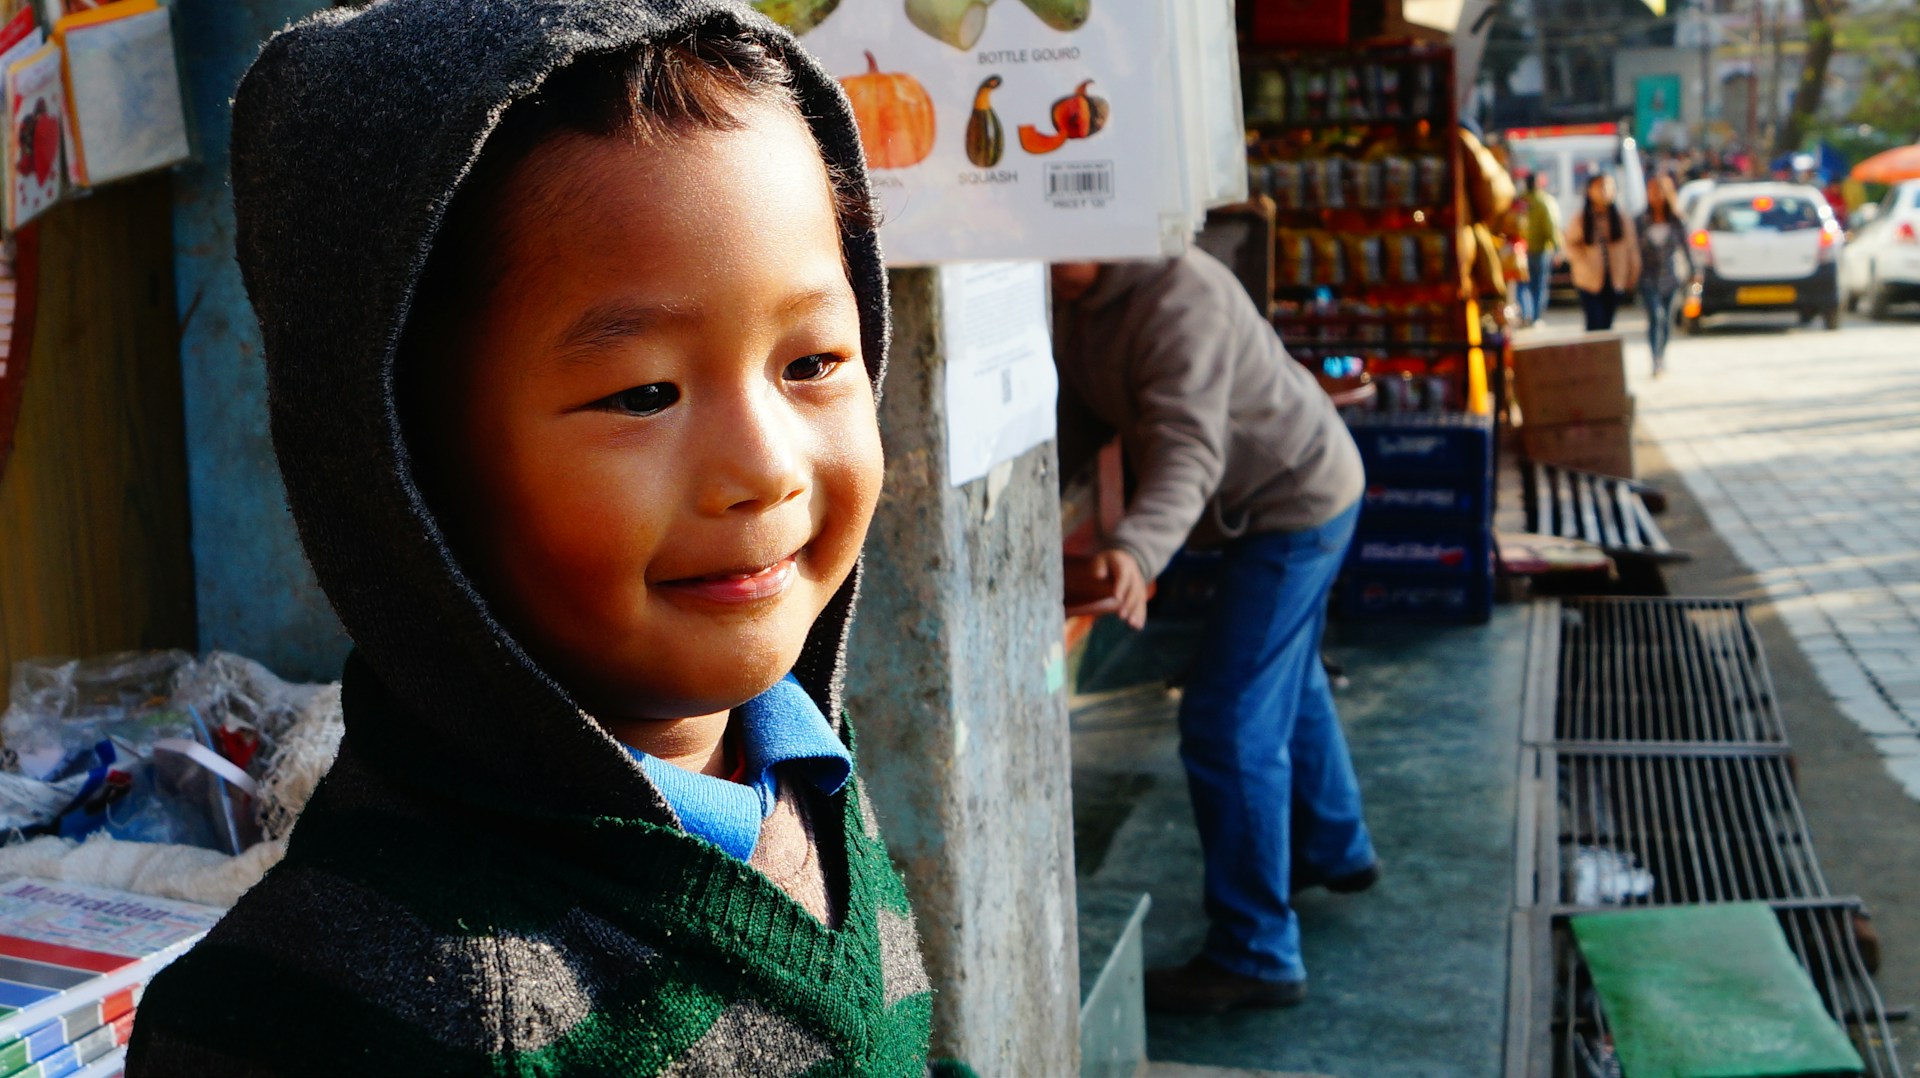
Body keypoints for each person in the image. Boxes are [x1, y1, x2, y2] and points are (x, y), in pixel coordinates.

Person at [128, 3, 955, 1074]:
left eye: (812, 364)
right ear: (404, 472)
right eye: (644, 392)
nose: (766, 466)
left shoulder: (790, 754)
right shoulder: (359, 1003)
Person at [1053, 249, 1377, 1015]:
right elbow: (1083, 415)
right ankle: (1336, 845)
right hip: (1271, 503)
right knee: (1283, 675)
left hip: (1298, 503)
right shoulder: (1068, 298)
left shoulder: (1178, 291)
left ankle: (1258, 952)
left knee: (1226, 717)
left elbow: (1188, 449)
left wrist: (1135, 548)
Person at [1567, 173, 1641, 331]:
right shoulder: (1581, 219)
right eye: (1600, 186)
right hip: (1589, 281)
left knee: (1607, 324)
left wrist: (1632, 275)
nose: (1605, 191)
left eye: (1609, 187)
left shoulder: (1621, 219)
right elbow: (1570, 245)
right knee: (1594, 323)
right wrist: (1583, 263)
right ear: (1590, 190)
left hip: (1615, 279)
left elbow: (1631, 249)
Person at [1636, 174, 1688, 375]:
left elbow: (1686, 248)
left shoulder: (1676, 220)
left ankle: (1662, 354)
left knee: (1666, 320)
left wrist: (1694, 273)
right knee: (1655, 317)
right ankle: (1655, 358)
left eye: (1660, 192)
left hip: (1671, 277)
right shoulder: (1641, 220)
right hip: (1648, 277)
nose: (1657, 196)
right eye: (1653, 192)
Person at [1520, 172, 1564, 324]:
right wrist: (1557, 248)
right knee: (1539, 285)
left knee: (1523, 285)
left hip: (1522, 250)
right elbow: (1551, 227)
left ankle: (1526, 314)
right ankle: (1535, 317)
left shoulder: (1520, 200)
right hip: (1540, 250)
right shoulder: (1545, 201)